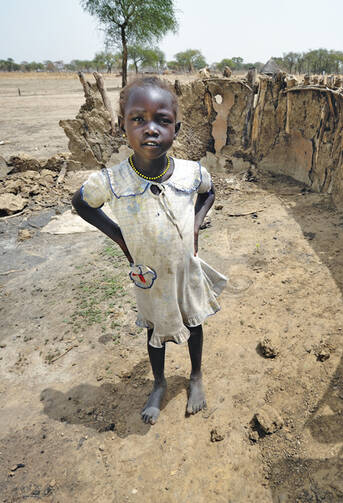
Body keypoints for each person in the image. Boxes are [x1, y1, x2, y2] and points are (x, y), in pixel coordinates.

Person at [71, 77, 226, 424]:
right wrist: (119, 237)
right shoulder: (112, 181)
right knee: (154, 329)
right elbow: (81, 203)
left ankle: (196, 377)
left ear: (177, 127)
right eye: (138, 119)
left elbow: (209, 191)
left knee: (194, 322)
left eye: (162, 120)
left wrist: (197, 223)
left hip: (185, 269)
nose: (150, 129)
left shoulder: (189, 172)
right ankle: (158, 384)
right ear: (121, 126)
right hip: (149, 276)